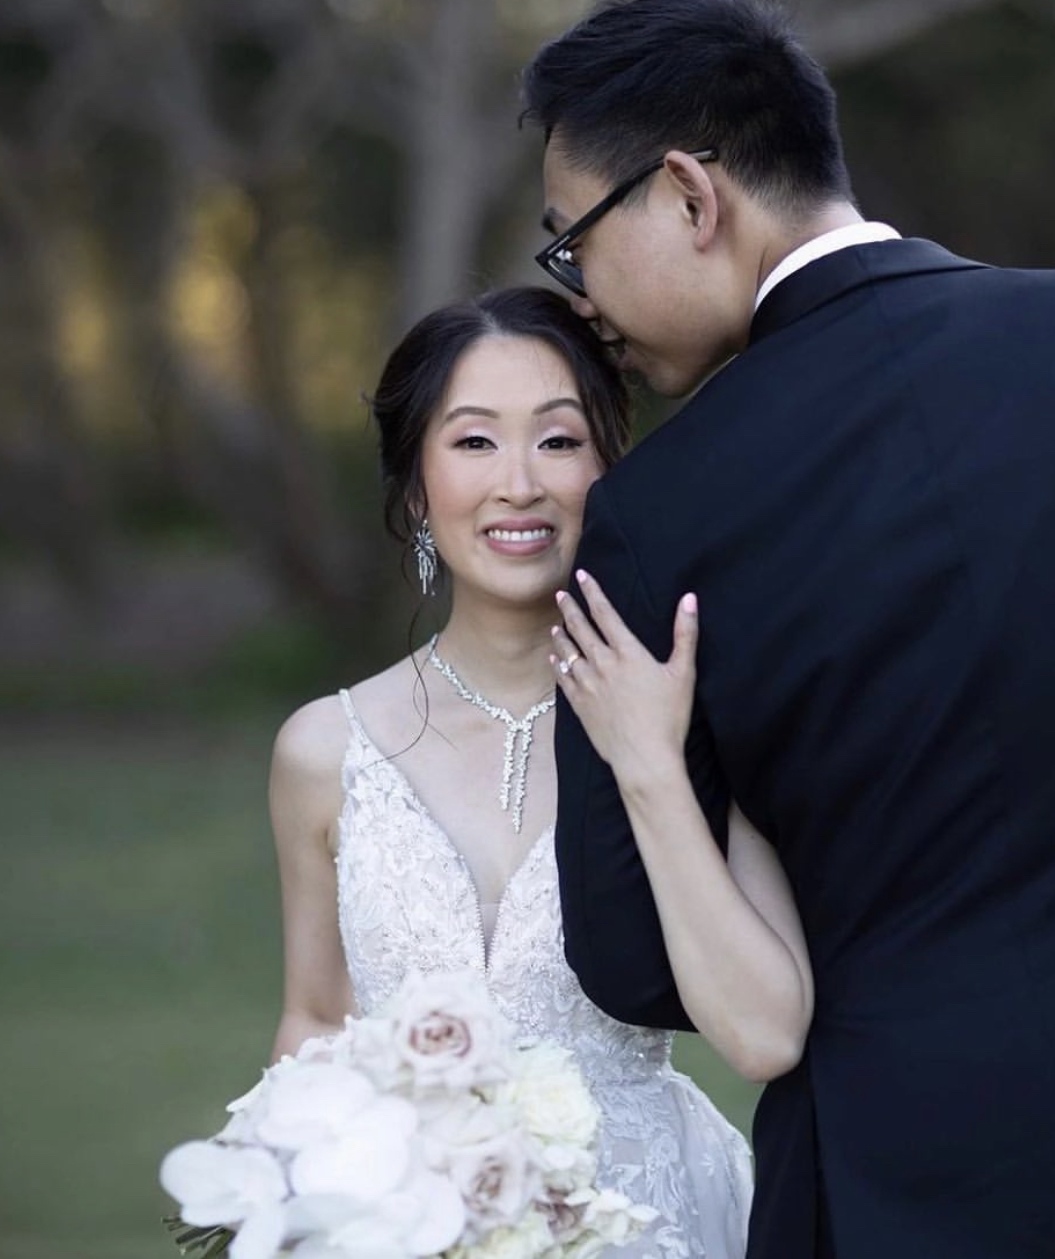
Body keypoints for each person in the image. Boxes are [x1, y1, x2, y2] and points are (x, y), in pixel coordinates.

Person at [522, 2, 1055, 1257]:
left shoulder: (657, 515)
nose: (582, 299)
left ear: (691, 195)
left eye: (574, 246)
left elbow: (636, 961)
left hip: (892, 1174)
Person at [266, 285, 799, 1257]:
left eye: (557, 440)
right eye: (474, 442)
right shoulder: (321, 750)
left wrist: (649, 760)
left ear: (611, 467)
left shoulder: (700, 712)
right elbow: (315, 1015)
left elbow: (766, 1033)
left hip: (648, 1228)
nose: (519, 482)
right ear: (418, 485)